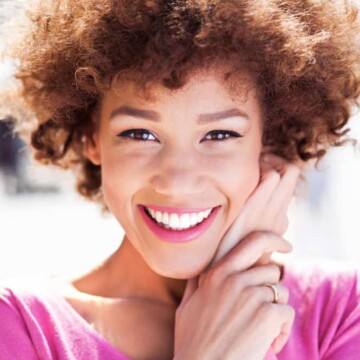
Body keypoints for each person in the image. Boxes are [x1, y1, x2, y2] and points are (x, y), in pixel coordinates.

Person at [0, 0, 359, 359]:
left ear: (269, 140)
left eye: (219, 135)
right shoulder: (19, 328)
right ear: (91, 139)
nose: (177, 182)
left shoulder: (340, 313)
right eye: (140, 134)